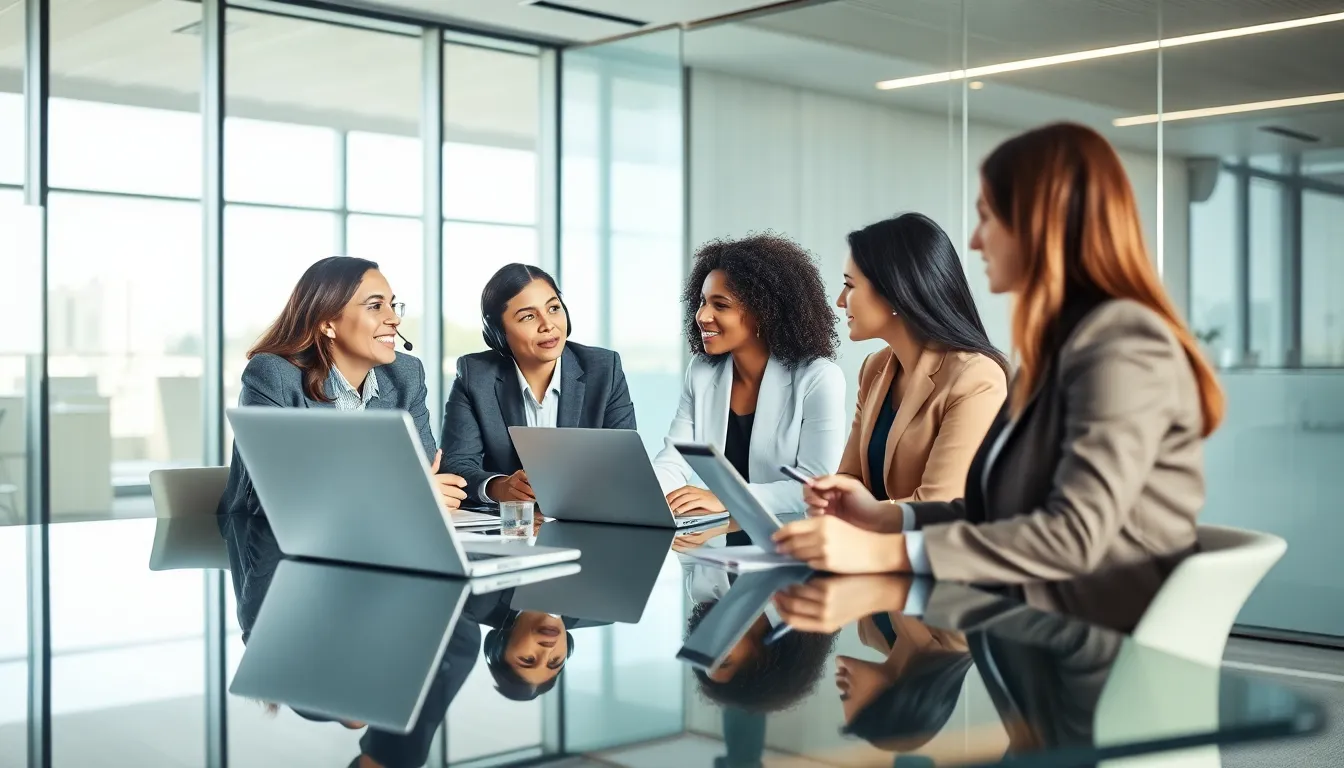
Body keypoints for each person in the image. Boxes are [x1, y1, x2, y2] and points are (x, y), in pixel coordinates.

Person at [776, 122, 1225, 632]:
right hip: (1040, 639)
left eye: (987, 216)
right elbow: (999, 515)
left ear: (1040, 225)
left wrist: (884, 549)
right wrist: (888, 517)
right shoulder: (1061, 350)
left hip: (1106, 660)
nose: (973, 239)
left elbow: (1072, 537)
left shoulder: (1123, 346)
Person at [216, 256, 468, 625]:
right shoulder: (274, 375)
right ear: (328, 323)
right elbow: (270, 498)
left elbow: (427, 470)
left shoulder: (405, 374)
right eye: (375, 306)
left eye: (393, 304)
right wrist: (401, 493)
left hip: (382, 561)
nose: (394, 318)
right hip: (281, 572)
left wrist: (410, 492)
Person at [653, 234, 846, 533]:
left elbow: (815, 485)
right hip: (717, 539)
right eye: (703, 302)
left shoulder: (818, 378)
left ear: (764, 312)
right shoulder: (702, 372)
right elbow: (675, 458)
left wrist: (728, 498)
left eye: (721, 305)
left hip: (788, 542)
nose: (702, 316)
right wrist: (652, 497)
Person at [835, 213, 1007, 507]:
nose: (840, 300)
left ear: (893, 292)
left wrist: (857, 514)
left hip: (931, 551)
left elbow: (939, 504)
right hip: (868, 548)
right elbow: (851, 477)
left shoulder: (975, 377)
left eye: (850, 285)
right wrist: (833, 494)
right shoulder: (874, 369)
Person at [440, 263, 636, 505]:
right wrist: (500, 487)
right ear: (499, 332)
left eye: (554, 308)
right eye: (528, 316)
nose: (548, 325)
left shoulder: (605, 369)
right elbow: (456, 464)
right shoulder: (475, 375)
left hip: (588, 519)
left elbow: (625, 464)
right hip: (513, 530)